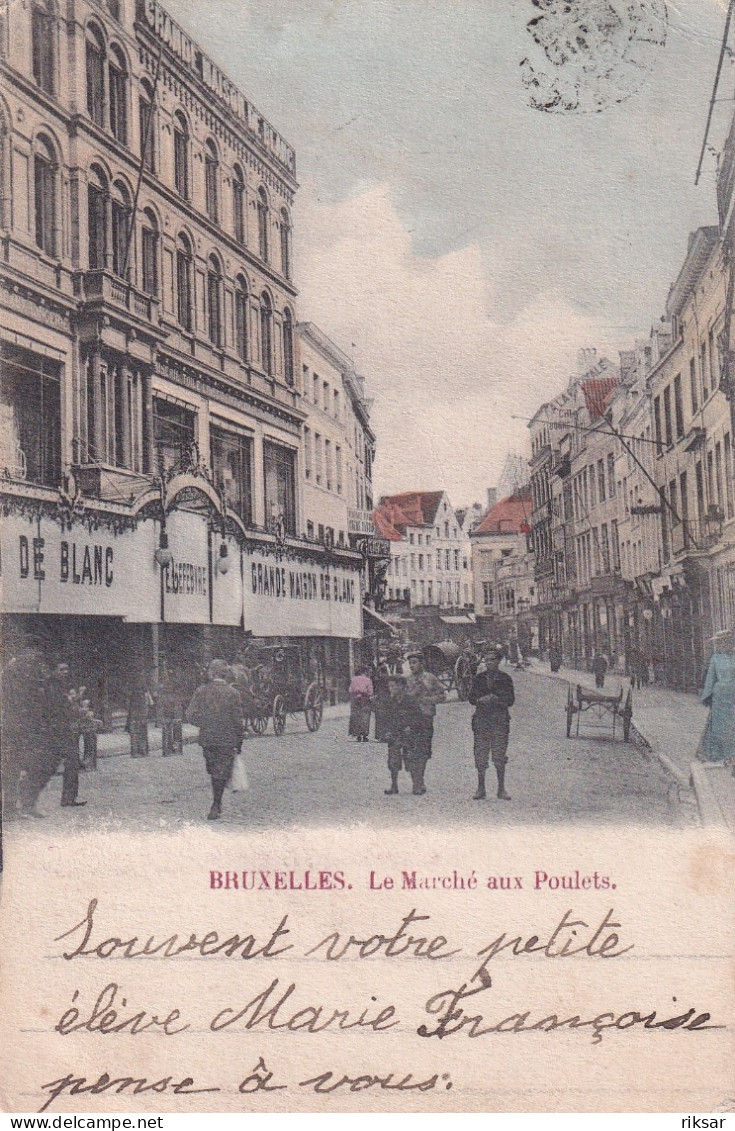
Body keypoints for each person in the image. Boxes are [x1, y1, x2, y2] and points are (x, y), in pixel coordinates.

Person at [186, 659, 244, 820]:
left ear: (211, 673)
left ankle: (216, 804)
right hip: (227, 739)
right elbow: (238, 721)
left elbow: (190, 715)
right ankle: (217, 803)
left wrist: (205, 723)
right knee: (221, 771)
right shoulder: (233, 693)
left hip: (208, 739)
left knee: (214, 770)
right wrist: (239, 741)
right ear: (225, 675)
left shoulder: (201, 691)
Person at [468, 642, 515, 801]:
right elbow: (471, 698)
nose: (488, 663)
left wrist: (496, 699)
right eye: (486, 660)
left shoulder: (505, 678)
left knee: (499, 754)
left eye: (492, 660)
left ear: (498, 661)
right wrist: (482, 699)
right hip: (481, 721)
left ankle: (501, 789)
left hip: (499, 721)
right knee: (480, 754)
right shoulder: (478, 679)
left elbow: (510, 700)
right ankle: (481, 788)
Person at [404, 650, 446, 795]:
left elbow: (442, 695)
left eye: (414, 662)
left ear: (422, 664)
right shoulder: (407, 680)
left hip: (426, 719)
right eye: (410, 663)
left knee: (423, 751)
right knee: (411, 751)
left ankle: (419, 779)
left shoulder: (430, 678)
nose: (411, 666)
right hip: (410, 719)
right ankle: (416, 782)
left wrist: (429, 700)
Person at [46, 662, 87, 808]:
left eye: (66, 669)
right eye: (61, 669)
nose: (65, 672)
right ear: (54, 671)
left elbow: (69, 705)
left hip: (66, 728)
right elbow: (59, 705)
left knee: (73, 762)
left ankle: (69, 798)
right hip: (55, 729)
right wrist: (77, 698)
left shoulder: (65, 685)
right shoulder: (51, 686)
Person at [700, 630, 735, 762]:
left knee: (732, 723)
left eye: (727, 642)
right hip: (719, 696)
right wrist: (707, 696)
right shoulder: (715, 658)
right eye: (721, 642)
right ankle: (718, 753)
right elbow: (710, 678)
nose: (724, 645)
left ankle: (732, 752)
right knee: (718, 724)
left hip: (732, 694)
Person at [379, 675, 415, 795]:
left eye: (393, 686)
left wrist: (411, 726)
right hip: (394, 734)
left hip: (407, 734)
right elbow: (385, 718)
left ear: (401, 687)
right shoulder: (389, 702)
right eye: (389, 686)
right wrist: (387, 731)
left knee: (410, 758)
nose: (390, 689)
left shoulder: (410, 700)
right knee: (393, 760)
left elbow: (417, 717)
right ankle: (394, 785)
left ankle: (417, 784)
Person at [348, 666, 374, 742]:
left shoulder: (354, 679)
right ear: (365, 672)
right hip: (364, 699)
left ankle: (358, 734)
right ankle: (364, 735)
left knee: (356, 716)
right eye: (369, 672)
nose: (370, 673)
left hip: (355, 699)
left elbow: (350, 690)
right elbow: (370, 692)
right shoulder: (368, 680)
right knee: (365, 716)